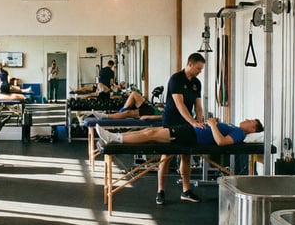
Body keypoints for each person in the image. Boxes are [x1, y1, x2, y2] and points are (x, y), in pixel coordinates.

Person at [156, 52, 206, 205]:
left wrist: (199, 121)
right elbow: (180, 104)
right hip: (171, 120)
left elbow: (198, 105)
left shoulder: (197, 83)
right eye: (198, 68)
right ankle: (160, 191)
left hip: (187, 122)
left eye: (201, 69)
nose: (200, 71)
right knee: (166, 155)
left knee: (186, 155)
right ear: (190, 64)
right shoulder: (176, 79)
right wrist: (192, 122)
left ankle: (186, 190)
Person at [96, 117, 263, 147]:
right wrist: (215, 123)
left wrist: (212, 125)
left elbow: (221, 142)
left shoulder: (240, 134)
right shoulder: (236, 128)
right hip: (191, 130)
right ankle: (115, 137)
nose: (247, 119)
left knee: (150, 135)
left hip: (191, 136)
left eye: (251, 121)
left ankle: (115, 139)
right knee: (149, 130)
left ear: (253, 129)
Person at [87, 89, 161, 120]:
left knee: (128, 113)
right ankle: (120, 112)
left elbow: (164, 117)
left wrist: (149, 117)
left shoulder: (170, 111)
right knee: (134, 94)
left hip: (152, 112)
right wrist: (160, 105)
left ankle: (105, 116)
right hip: (152, 108)